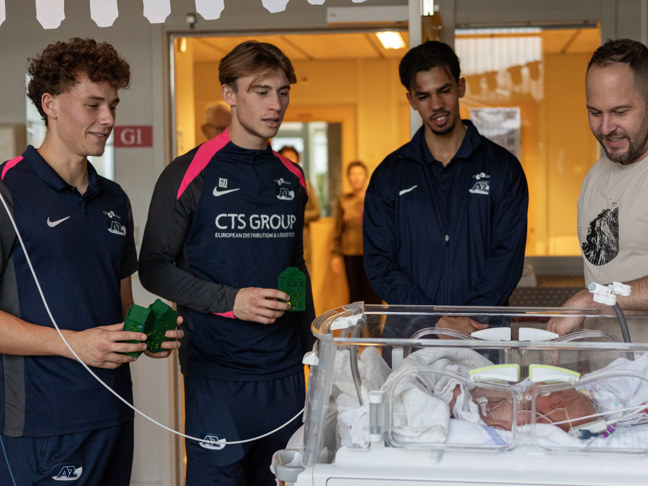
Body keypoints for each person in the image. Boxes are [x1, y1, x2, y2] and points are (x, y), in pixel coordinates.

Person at [0, 38, 182, 485]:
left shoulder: (114, 199)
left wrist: (147, 336)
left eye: (113, 105)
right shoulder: (7, 193)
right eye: (93, 104)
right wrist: (75, 344)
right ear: (50, 104)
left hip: (113, 412)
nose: (109, 119)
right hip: (40, 424)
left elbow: (120, 306)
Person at [138, 40, 316, 485]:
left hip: (285, 374)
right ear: (229, 93)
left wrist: (314, 352)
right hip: (217, 373)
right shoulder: (187, 173)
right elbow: (154, 267)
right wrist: (231, 300)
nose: (276, 105)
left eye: (283, 92)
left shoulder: (291, 177)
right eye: (261, 91)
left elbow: (294, 268)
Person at [363, 40, 528, 335]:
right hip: (412, 336)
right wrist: (434, 321)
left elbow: (507, 257)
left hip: (482, 333)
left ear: (460, 87)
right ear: (411, 100)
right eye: (424, 96)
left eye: (444, 90)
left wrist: (468, 322)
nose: (437, 105)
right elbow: (380, 263)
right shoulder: (389, 175)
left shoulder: (503, 169)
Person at [547, 39, 648, 336]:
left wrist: (593, 299)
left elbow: (594, 295)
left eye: (620, 112)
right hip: (604, 361)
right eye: (595, 112)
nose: (605, 128)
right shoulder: (596, 175)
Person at [330, 160, 381, 304]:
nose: (356, 178)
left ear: (365, 176)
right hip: (350, 252)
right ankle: (357, 320)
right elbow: (338, 229)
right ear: (348, 177)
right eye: (353, 174)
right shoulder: (343, 200)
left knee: (373, 292)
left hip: (372, 253)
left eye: (360, 174)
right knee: (355, 293)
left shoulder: (374, 198)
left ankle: (374, 320)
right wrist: (335, 254)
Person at [278, 145, 320, 272]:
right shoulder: (273, 184)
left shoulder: (305, 184)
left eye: (292, 158)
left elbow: (316, 211)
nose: (289, 161)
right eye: (285, 158)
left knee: (301, 277)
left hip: (302, 239)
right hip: (278, 239)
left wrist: (296, 217)